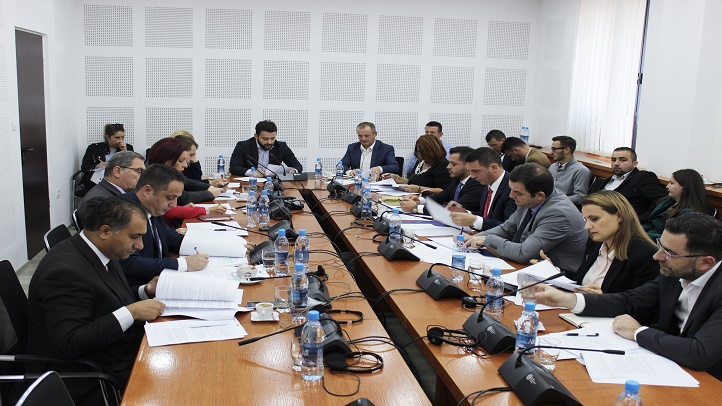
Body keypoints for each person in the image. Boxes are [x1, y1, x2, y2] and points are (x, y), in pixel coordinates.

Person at [535, 212, 722, 380]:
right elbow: (629, 300)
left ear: (706, 262)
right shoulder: (676, 271)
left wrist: (637, 332)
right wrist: (567, 299)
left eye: (669, 253)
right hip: (668, 363)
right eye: (660, 246)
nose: (657, 256)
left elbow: (700, 353)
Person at [27, 197, 166, 405]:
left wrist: (145, 291)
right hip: (88, 374)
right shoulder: (65, 272)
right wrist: (131, 312)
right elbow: (69, 343)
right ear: (105, 231)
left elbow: (106, 297)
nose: (139, 245)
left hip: (115, 352)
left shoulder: (103, 250)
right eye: (134, 237)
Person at [466, 163, 587, 272]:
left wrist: (487, 240)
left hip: (559, 275)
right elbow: (506, 229)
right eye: (511, 190)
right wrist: (474, 238)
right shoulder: (529, 199)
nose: (511, 196)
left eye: (517, 193)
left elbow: (523, 254)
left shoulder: (559, 214)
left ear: (540, 195)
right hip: (530, 267)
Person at [120, 164, 209, 285]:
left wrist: (217, 244)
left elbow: (171, 238)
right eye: (170, 198)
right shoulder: (123, 212)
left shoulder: (152, 207)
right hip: (140, 288)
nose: (174, 204)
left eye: (176, 198)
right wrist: (183, 264)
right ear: (147, 191)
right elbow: (130, 263)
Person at [570, 191, 660, 294]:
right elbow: (580, 279)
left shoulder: (644, 254)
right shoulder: (595, 242)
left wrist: (602, 299)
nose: (587, 227)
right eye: (585, 220)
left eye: (594, 219)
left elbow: (641, 300)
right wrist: (557, 271)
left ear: (619, 216)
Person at [589, 147, 666, 222]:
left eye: (623, 160)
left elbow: (660, 201)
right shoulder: (604, 181)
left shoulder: (642, 177)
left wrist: (637, 221)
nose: (616, 163)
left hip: (622, 223)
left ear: (634, 164)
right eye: (613, 160)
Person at [449, 147, 516, 231]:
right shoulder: (487, 184)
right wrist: (466, 213)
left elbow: (510, 228)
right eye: (471, 171)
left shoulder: (512, 189)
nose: (472, 176)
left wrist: (475, 220)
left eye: (476, 171)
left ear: (494, 168)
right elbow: (486, 216)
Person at [399, 146, 482, 214]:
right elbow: (439, 197)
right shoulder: (457, 180)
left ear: (468, 166)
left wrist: (416, 207)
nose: (448, 167)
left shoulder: (477, 184)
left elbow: (454, 210)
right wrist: (419, 200)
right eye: (449, 163)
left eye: (453, 164)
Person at [76, 150, 145, 228]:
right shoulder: (98, 200)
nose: (142, 177)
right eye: (139, 171)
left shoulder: (119, 193)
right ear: (117, 171)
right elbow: (107, 233)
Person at [147, 138, 224, 204]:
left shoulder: (171, 174)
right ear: (166, 161)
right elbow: (182, 198)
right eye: (180, 160)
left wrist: (210, 187)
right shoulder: (157, 176)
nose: (185, 165)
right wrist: (209, 193)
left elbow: (188, 183)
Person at [643, 169, 711, 240]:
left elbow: (672, 239)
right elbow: (650, 224)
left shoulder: (689, 214)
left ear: (684, 187)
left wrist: (642, 235)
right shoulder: (667, 202)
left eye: (672, 183)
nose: (667, 186)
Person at [229, 120, 303, 177]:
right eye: (265, 139)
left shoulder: (281, 147)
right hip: (250, 182)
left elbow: (297, 166)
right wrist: (251, 173)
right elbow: (234, 167)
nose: (269, 142)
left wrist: (294, 171)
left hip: (272, 183)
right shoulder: (243, 146)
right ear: (256, 136)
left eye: (272, 138)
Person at [383, 134, 452, 194]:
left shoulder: (442, 164)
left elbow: (443, 191)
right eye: (418, 152)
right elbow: (415, 182)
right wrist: (397, 178)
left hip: (430, 200)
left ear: (431, 151)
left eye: (422, 152)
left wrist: (419, 189)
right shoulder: (422, 162)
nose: (419, 155)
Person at [80, 123, 134, 189]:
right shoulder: (94, 148)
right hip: (97, 182)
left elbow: (132, 167)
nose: (120, 140)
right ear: (107, 137)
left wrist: (125, 152)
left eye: (122, 137)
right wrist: (97, 166)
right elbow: (84, 167)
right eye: (117, 138)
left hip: (119, 180)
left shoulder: (128, 148)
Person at [550, 135, 591, 206]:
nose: (551, 152)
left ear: (567, 150)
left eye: (554, 149)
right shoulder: (552, 167)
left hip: (564, 207)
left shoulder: (581, 171)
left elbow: (580, 197)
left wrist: (556, 200)